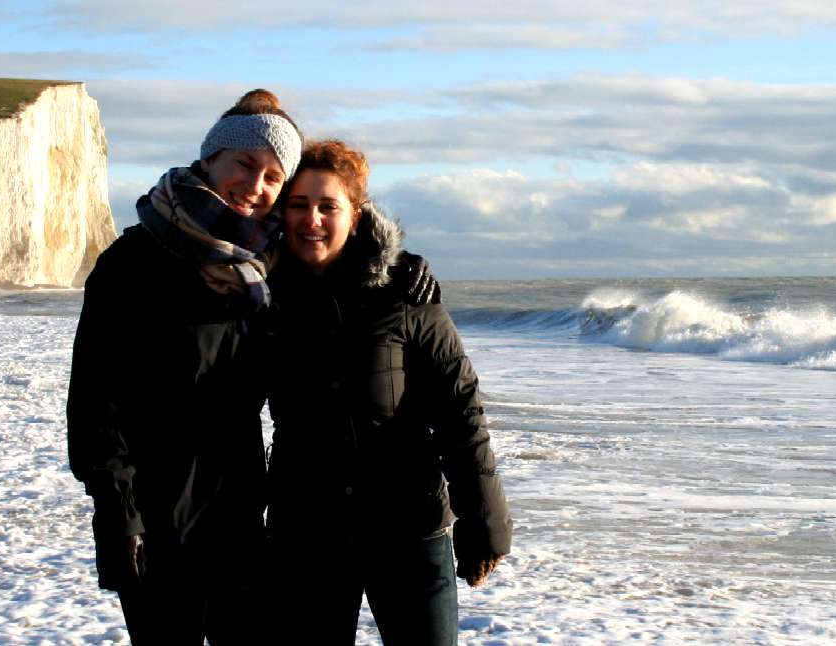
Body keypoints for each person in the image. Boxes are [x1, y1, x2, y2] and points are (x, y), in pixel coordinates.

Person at [66, 91, 434, 643]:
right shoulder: (133, 263)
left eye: (272, 177)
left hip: (238, 520)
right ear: (210, 157)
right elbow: (96, 403)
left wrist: (400, 265)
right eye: (245, 164)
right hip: (154, 519)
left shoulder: (267, 265)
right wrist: (118, 512)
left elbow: (337, 245)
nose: (255, 186)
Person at [264, 139, 512, 645]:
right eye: (299, 204)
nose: (312, 218)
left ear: (355, 217)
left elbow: (459, 406)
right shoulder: (260, 293)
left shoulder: (403, 292)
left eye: (328, 206)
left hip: (408, 526)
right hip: (307, 531)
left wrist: (484, 520)